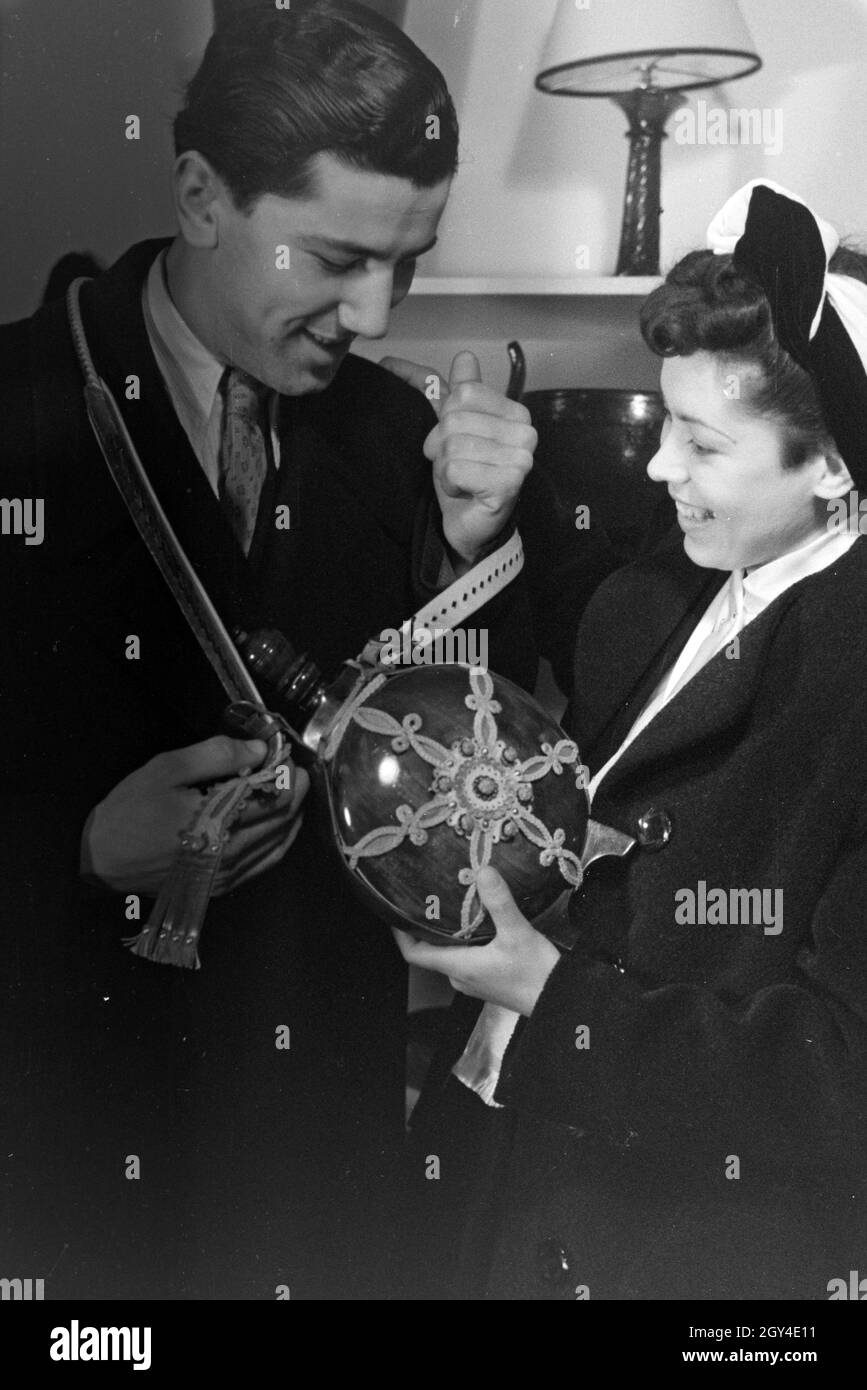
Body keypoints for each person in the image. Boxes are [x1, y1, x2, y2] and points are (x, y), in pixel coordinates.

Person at [0, 1, 614, 1300]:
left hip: (315, 1143)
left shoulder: (402, 437)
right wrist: (74, 844)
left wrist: (468, 546)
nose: (377, 312)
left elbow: (458, 778)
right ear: (200, 194)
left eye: (409, 259)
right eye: (335, 256)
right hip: (60, 1132)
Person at [399, 180, 867, 1300]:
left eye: (702, 444)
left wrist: (559, 1000)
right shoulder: (688, 575)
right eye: (665, 426)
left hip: (696, 1254)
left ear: (835, 468)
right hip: (515, 1174)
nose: (660, 469)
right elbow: (580, 617)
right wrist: (483, 521)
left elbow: (840, 1076)